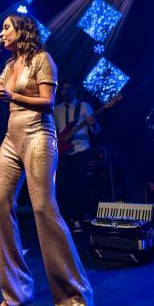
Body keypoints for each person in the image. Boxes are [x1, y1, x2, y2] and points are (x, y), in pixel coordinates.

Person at [0, 14, 94, 306]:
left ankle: (75, 298)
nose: (2, 32)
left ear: (23, 31)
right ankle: (17, 290)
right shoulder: (8, 66)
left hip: (38, 135)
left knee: (43, 208)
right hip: (11, 138)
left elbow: (47, 102)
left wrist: (13, 96)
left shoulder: (42, 60)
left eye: (7, 27)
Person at [54, 82, 100, 232]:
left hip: (80, 151)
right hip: (63, 152)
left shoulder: (84, 107)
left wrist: (93, 124)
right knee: (61, 186)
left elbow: (96, 131)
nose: (65, 92)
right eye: (63, 89)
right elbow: (55, 131)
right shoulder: (57, 109)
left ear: (74, 90)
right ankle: (63, 219)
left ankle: (77, 219)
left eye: (68, 89)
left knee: (78, 186)